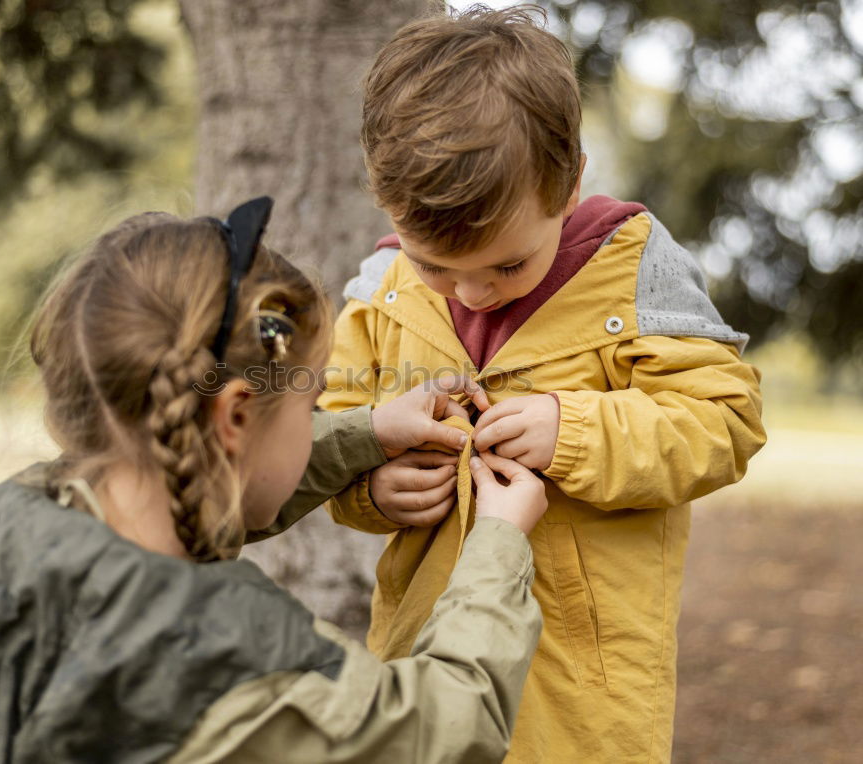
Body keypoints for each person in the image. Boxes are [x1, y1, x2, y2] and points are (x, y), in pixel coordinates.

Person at [0, 198, 549, 763]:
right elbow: (440, 732)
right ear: (235, 417)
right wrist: (495, 544)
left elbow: (221, 474)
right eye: (309, 407)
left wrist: (368, 432)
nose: (315, 419)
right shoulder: (229, 656)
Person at [319, 7, 767, 762]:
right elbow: (332, 432)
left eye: (507, 265)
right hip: (420, 685)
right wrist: (372, 489)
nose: (472, 296)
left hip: (581, 703)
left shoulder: (634, 270)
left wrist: (576, 431)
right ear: (385, 202)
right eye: (436, 267)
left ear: (570, 183)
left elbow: (723, 422)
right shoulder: (377, 292)